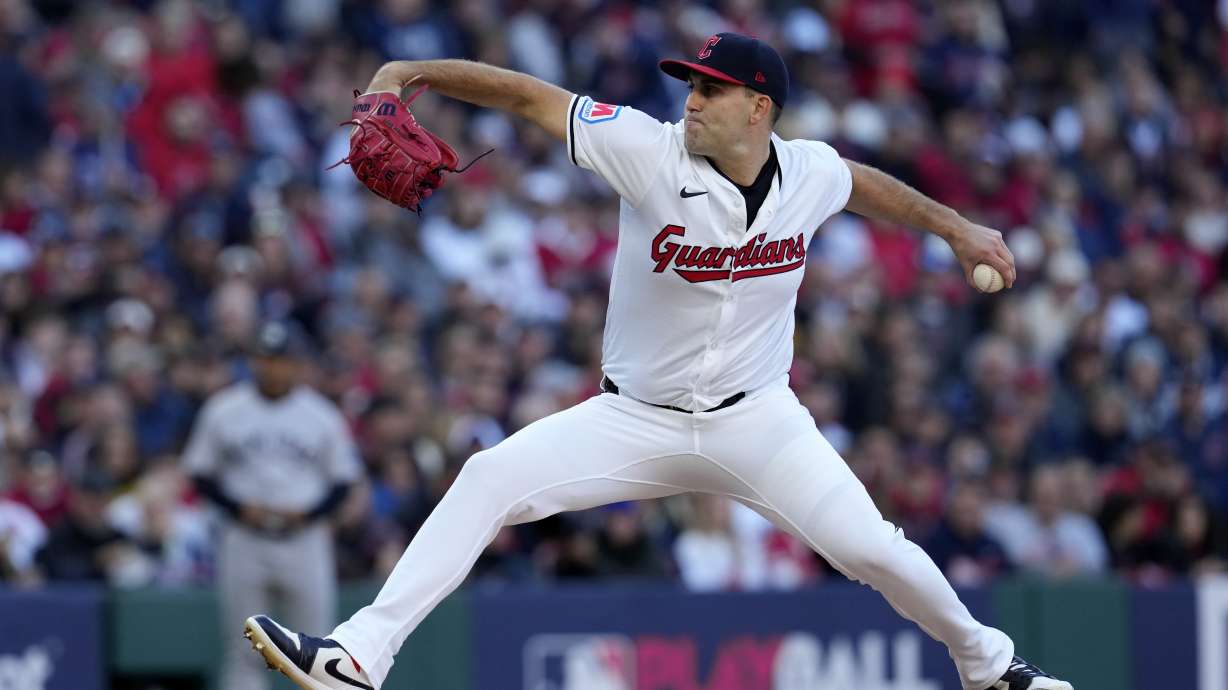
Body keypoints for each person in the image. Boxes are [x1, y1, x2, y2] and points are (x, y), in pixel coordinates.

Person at [243, 34, 1073, 690]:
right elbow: (531, 96)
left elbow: (858, 182)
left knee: (877, 552)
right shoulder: (648, 150)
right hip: (632, 418)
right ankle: (358, 656)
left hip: (759, 420)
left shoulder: (808, 171)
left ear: (760, 107)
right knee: (487, 478)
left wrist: (956, 228)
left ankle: (989, 667)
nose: (693, 99)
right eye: (690, 83)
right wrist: (409, 70)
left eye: (712, 88)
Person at [185, 321, 361, 690]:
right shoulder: (224, 409)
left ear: (297, 364)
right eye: (266, 359)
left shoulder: (321, 415)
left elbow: (344, 481)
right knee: (243, 650)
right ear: (253, 362)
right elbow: (200, 473)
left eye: (281, 360)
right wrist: (236, 507)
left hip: (304, 539)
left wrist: (310, 513)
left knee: (318, 650)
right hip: (245, 538)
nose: (273, 368)